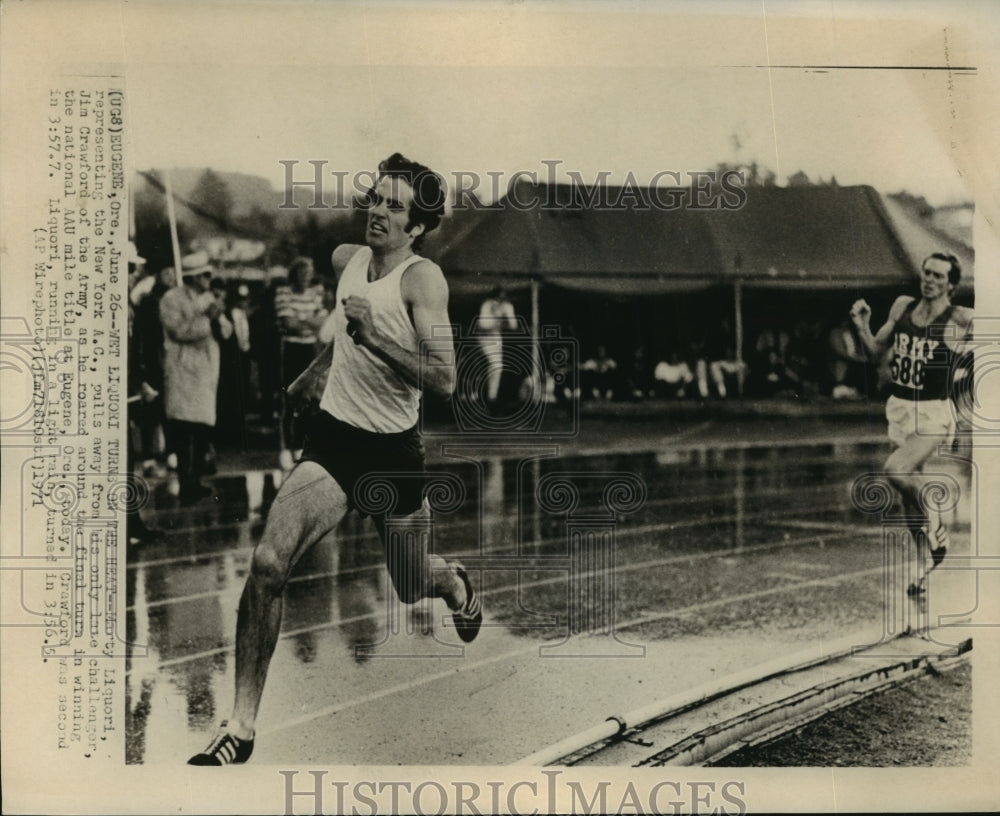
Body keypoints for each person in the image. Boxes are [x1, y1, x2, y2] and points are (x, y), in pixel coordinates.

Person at [188, 154, 482, 766]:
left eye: (395, 205)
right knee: (269, 562)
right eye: (376, 196)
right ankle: (239, 726)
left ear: (419, 224)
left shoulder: (422, 281)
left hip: (394, 454)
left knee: (409, 584)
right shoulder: (346, 261)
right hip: (334, 443)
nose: (378, 209)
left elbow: (446, 381)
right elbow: (342, 339)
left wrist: (376, 337)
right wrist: (312, 373)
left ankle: (451, 582)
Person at [850, 252, 973, 595]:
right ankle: (923, 567)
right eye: (927, 272)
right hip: (900, 407)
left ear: (951, 284)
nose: (929, 279)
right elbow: (876, 351)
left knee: (895, 471)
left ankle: (936, 520)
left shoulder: (960, 317)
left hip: (933, 411)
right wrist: (862, 325)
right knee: (907, 500)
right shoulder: (903, 306)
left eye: (938, 276)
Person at [159, 254, 222, 505]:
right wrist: (204, 317)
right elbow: (179, 331)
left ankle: (196, 475)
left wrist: (218, 318)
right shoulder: (171, 299)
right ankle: (187, 481)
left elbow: (223, 329)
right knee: (184, 427)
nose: (209, 279)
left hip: (206, 368)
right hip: (183, 366)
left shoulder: (210, 299)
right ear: (194, 276)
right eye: (205, 275)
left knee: (201, 426)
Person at [275, 256, 327, 469]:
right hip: (291, 350)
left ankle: (302, 447)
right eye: (302, 273)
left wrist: (301, 319)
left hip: (310, 350)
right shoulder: (283, 293)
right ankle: (286, 448)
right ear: (294, 275)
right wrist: (308, 320)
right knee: (290, 398)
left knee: (310, 399)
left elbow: (320, 323)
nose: (306, 277)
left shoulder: (315, 294)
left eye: (309, 273)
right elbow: (289, 324)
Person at [476, 286, 518, 407]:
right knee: (491, 366)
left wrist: (503, 318)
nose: (501, 299)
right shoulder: (488, 305)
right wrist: (497, 319)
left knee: (497, 367)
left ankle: (492, 397)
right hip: (484, 338)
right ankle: (486, 396)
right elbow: (483, 324)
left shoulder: (507, 306)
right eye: (499, 297)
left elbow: (513, 325)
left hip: (496, 338)